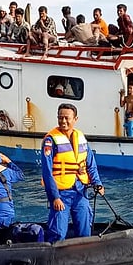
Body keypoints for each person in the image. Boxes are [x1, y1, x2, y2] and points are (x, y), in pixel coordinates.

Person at [41, 103, 104, 242]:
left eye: (66, 118)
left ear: (75, 119)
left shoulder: (81, 138)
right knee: (58, 233)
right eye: (60, 118)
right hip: (61, 193)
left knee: (84, 230)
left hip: (80, 191)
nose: (63, 121)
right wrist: (54, 197)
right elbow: (47, 172)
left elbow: (90, 164)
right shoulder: (50, 141)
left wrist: (97, 183)